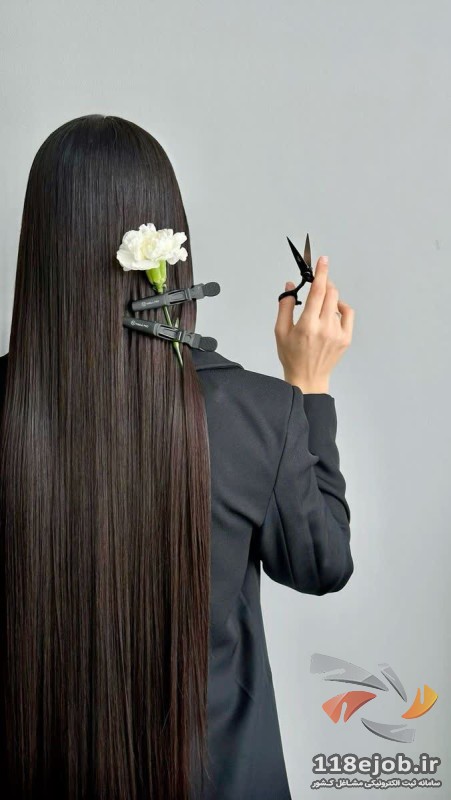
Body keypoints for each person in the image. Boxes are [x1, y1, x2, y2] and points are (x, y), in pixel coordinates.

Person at [0, 114, 355, 800]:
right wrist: (308, 388)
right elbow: (321, 563)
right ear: (170, 247)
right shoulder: (253, 415)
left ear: (38, 252)